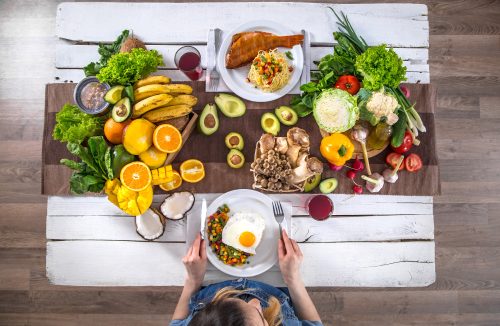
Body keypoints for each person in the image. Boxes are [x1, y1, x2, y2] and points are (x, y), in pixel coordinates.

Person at [170, 230, 323, 325]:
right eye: (260, 316)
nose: (256, 302)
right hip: (279, 285)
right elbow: (313, 323)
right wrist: (293, 278)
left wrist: (193, 280)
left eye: (222, 303)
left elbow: (177, 322)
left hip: (209, 281)